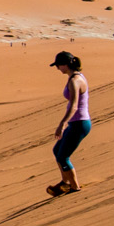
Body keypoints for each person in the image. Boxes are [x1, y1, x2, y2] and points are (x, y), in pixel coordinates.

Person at [48, 52, 92, 195]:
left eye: (58, 65)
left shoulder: (75, 80)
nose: (57, 69)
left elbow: (74, 105)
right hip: (76, 123)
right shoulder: (74, 77)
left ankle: (74, 187)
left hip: (79, 123)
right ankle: (65, 182)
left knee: (63, 157)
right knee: (57, 151)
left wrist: (62, 124)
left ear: (65, 65)